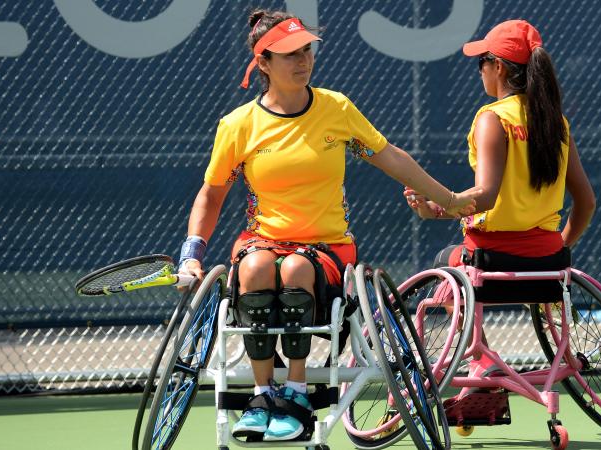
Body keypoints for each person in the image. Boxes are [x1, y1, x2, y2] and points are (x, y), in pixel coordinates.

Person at [177, 8, 478, 442]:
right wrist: (192, 256)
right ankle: (263, 395)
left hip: (327, 248)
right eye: (288, 55)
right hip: (263, 242)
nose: (303, 61)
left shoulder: (336, 109)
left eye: (306, 51)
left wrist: (449, 199)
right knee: (255, 269)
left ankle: (297, 394)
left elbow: (389, 156)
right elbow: (211, 195)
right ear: (263, 64)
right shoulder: (238, 126)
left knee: (296, 269)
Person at [405, 19, 596, 383]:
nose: (479, 72)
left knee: (445, 263)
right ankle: (487, 362)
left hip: (492, 264)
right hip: (549, 266)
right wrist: (558, 251)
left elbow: (486, 198)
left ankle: (481, 356)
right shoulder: (557, 124)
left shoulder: (492, 119)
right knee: (464, 257)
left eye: (482, 63)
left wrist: (437, 204)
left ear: (499, 67)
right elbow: (586, 203)